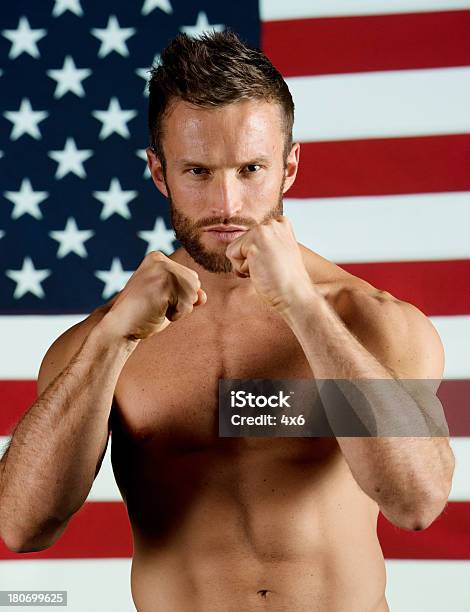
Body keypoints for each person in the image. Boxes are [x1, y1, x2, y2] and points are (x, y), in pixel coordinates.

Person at [0, 31, 455, 612]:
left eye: (250, 168)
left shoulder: (372, 321)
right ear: (159, 172)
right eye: (197, 172)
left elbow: (416, 502)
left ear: (289, 167)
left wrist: (303, 308)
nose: (227, 204)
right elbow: (22, 528)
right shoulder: (103, 341)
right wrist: (114, 341)